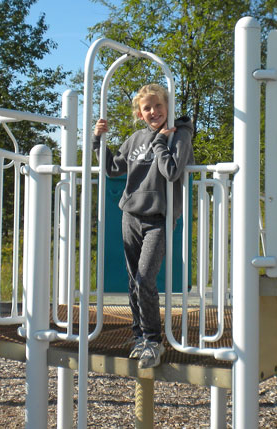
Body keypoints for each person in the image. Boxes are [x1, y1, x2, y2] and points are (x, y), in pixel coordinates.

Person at [93, 83, 195, 369]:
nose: (154, 112)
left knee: (145, 280)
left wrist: (161, 142)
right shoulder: (135, 138)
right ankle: (139, 335)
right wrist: (99, 140)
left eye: (158, 106)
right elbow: (113, 167)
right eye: (147, 108)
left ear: (168, 107)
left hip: (159, 220)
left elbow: (172, 171)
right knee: (132, 281)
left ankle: (153, 340)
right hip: (131, 216)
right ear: (139, 113)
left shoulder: (179, 134)